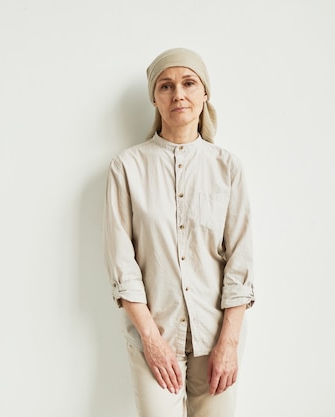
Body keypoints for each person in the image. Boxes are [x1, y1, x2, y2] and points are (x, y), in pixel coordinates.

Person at [103, 48, 255, 417]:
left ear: (205, 93)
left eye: (189, 83)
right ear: (154, 97)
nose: (178, 94)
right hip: (154, 337)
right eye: (166, 86)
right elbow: (123, 267)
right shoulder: (127, 167)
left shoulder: (228, 168)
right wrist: (152, 341)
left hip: (217, 337)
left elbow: (240, 262)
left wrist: (229, 342)